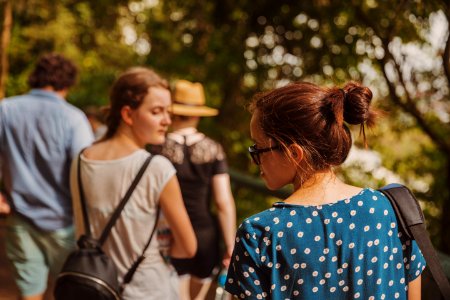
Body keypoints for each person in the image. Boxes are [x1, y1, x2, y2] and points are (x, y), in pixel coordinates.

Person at [225, 82, 426, 299]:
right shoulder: (387, 209)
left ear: (293, 153)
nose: (255, 158)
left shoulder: (260, 234)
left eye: (257, 148)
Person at [70, 67, 197, 300]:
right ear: (128, 114)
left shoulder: (81, 159)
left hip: (95, 286)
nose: (167, 120)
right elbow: (188, 247)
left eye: (168, 111)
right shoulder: (156, 168)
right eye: (157, 112)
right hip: (146, 290)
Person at [0, 53, 94, 300]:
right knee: (68, 291)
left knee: (30, 292)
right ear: (68, 83)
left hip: (19, 218)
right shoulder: (74, 118)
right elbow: (86, 170)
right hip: (64, 222)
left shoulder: (6, 109)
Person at [152, 79, 236, 300]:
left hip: (166, 233)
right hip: (204, 234)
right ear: (198, 114)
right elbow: (223, 202)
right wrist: (230, 244)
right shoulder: (213, 149)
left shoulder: (156, 148)